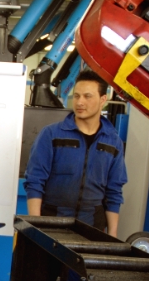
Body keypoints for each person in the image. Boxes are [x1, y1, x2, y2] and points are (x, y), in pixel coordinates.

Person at [24, 70, 128, 236]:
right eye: (77, 96)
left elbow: (114, 191)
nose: (80, 102)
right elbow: (35, 181)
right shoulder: (51, 134)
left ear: (103, 100)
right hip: (52, 222)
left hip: (92, 225)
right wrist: (36, 227)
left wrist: (112, 235)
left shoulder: (113, 142)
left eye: (87, 96)